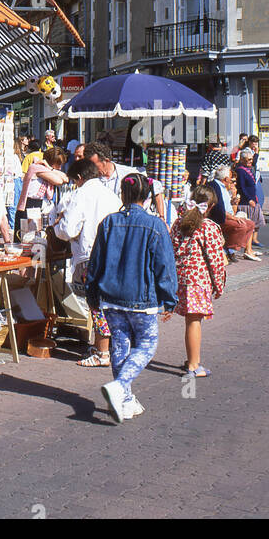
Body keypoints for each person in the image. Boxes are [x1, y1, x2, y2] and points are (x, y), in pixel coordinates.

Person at [87, 174, 178, 423]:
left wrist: (92, 293)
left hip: (111, 296)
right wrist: (169, 298)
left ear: (123, 195)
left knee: (120, 344)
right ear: (147, 196)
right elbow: (165, 266)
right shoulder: (155, 225)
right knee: (147, 345)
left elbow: (95, 263)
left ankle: (125, 399)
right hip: (141, 297)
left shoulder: (109, 223)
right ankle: (121, 387)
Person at [51, 158, 121, 367]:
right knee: (107, 304)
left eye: (74, 181)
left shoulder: (81, 194)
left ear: (80, 178)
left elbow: (67, 229)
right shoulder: (110, 194)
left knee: (96, 304)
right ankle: (103, 345)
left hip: (91, 255)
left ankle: (102, 353)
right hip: (113, 255)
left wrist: (56, 227)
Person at [168, 184, 227, 377]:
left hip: (182, 277)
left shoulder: (178, 223)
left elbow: (170, 249)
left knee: (190, 320)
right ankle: (194, 365)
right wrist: (219, 285)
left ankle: (191, 357)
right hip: (199, 280)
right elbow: (216, 260)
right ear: (210, 206)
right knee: (194, 321)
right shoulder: (209, 227)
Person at [209, 164, 259, 260]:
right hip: (220, 218)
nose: (232, 180)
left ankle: (230, 248)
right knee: (242, 226)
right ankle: (228, 248)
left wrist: (233, 202)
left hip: (228, 215)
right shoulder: (215, 187)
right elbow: (219, 209)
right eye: (231, 178)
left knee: (250, 224)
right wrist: (233, 217)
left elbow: (228, 206)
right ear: (226, 179)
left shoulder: (224, 188)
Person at [15, 146, 66, 236]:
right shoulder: (36, 167)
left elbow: (66, 178)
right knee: (30, 238)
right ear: (51, 161)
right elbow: (59, 181)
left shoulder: (47, 169)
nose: (60, 167)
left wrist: (51, 168)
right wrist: (50, 169)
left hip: (41, 204)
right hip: (31, 204)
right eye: (58, 164)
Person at [235, 147, 265, 249]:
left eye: (251, 159)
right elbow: (241, 187)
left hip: (253, 198)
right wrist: (249, 199)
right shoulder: (240, 171)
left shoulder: (249, 169)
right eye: (248, 160)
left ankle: (254, 239)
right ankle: (246, 242)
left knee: (258, 220)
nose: (250, 161)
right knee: (249, 222)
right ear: (242, 160)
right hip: (246, 201)